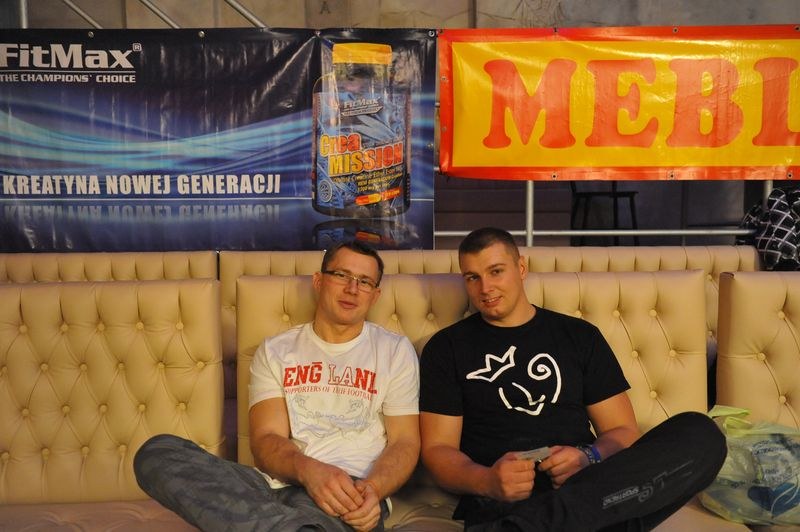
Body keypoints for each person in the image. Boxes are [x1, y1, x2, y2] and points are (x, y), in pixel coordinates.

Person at [419, 227, 727, 532]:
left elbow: (622, 432)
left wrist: (588, 457)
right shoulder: (447, 348)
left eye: (496, 271)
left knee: (702, 433)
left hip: (590, 489)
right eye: (472, 277)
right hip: (507, 498)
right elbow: (438, 449)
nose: (485, 288)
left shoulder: (578, 336)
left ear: (521, 268)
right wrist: (488, 481)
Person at [135, 241, 420, 532]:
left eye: (365, 282)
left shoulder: (393, 351)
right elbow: (266, 439)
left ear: (375, 295)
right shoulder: (276, 351)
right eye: (341, 275)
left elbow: (405, 442)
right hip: (271, 485)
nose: (352, 289)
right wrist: (310, 472)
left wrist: (373, 490)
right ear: (318, 281)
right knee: (156, 453)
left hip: (347, 493)